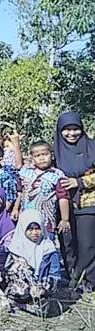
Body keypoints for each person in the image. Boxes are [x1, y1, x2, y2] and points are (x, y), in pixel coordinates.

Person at [54, 112, 95, 292]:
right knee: (67, 242)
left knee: (87, 244)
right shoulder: (54, 151)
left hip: (88, 203)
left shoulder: (92, 147)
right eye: (66, 130)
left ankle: (87, 281)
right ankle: (71, 277)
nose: (71, 133)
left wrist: (78, 182)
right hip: (63, 205)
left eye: (75, 129)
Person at [5, 209, 64, 316]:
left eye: (37, 229)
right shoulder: (16, 247)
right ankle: (22, 303)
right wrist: (28, 287)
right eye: (30, 229)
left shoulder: (48, 248)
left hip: (41, 290)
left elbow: (55, 275)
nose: (34, 233)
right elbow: (9, 272)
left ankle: (29, 305)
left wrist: (42, 288)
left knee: (46, 309)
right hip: (24, 288)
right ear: (23, 229)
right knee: (18, 269)